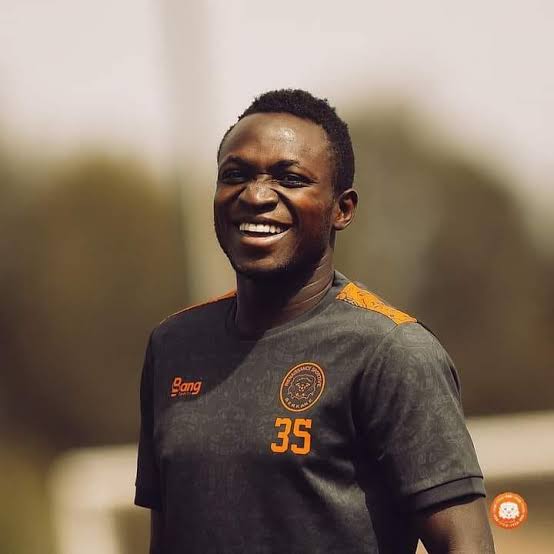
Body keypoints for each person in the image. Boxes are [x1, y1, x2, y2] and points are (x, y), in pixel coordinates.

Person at [134, 89, 495, 553]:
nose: (256, 195)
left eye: (290, 178)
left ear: (342, 209)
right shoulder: (174, 345)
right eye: (235, 175)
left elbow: (466, 545)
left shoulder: (391, 351)